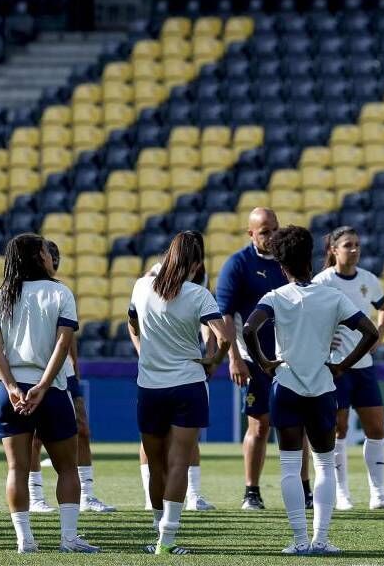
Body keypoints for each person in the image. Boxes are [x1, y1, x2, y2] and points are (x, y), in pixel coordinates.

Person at [242, 225, 378, 555]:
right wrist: (343, 365)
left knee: (290, 466)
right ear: (311, 257)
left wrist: (263, 362)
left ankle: (300, 541)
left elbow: (248, 329)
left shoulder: (275, 297)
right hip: (321, 388)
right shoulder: (332, 297)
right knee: (324, 464)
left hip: (286, 386)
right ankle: (321, 539)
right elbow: (370, 332)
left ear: (281, 264)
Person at [0, 233, 98, 554]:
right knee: (67, 467)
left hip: (7, 394)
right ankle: (68, 539)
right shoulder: (60, 292)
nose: (51, 256)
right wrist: (43, 386)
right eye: (47, 251)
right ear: (38, 257)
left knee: (16, 469)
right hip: (51, 391)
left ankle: (25, 541)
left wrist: (10, 387)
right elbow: (64, 344)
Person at [127, 231, 233, 555]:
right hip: (188, 383)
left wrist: (143, 351)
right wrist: (213, 361)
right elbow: (224, 337)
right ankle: (166, 541)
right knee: (179, 463)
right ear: (197, 263)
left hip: (150, 386)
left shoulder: (141, 286)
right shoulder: (198, 295)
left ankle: (157, 529)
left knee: (156, 463)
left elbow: (132, 323)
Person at [312, 226, 384, 511]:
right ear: (333, 250)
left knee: (376, 427)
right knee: (338, 428)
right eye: (348, 245)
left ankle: (378, 494)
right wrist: (323, 338)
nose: (353, 250)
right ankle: (342, 494)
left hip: (363, 365)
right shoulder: (323, 281)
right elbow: (310, 315)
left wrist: (378, 335)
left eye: (357, 245)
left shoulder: (369, 280)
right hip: (336, 366)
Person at [25, 240, 114, 514]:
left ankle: (87, 494)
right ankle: (36, 496)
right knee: (34, 437)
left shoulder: (62, 292)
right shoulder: (23, 293)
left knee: (82, 430)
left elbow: (69, 338)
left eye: (56, 256)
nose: (54, 260)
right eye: (50, 256)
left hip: (64, 373)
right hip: (34, 372)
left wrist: (75, 370)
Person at [217, 208, 293, 511]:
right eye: (264, 231)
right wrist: (233, 357)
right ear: (251, 234)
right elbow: (223, 314)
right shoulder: (238, 264)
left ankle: (304, 490)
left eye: (274, 229)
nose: (271, 236)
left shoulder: (288, 262)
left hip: (288, 357)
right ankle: (252, 491)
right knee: (260, 425)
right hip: (252, 359)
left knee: (293, 425)